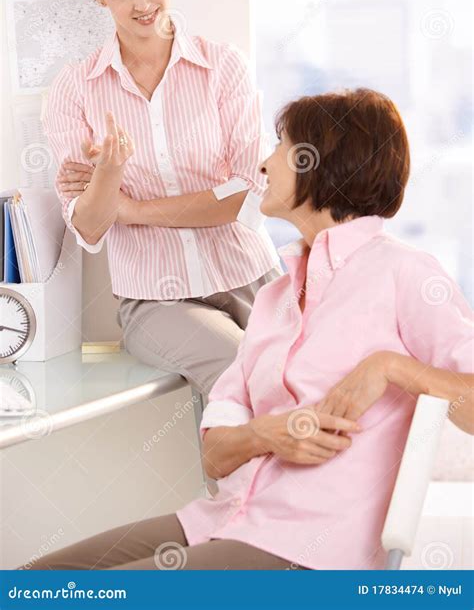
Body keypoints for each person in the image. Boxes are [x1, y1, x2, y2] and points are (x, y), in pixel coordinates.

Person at [25, 87, 473, 570]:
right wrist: (266, 435)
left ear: (324, 163)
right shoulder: (274, 300)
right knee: (38, 581)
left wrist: (389, 368)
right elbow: (216, 457)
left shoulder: (404, 273)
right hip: (223, 520)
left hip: (312, 553)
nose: (265, 164)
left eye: (281, 147)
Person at [43, 0, 281, 395]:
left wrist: (129, 208)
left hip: (249, 274)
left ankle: (289, 474)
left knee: (292, 380)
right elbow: (88, 228)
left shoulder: (223, 67)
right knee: (237, 369)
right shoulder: (75, 89)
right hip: (155, 302)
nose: (143, 4)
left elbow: (241, 197)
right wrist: (109, 174)